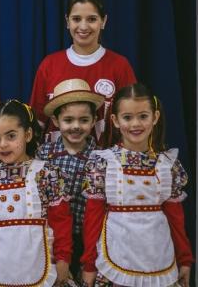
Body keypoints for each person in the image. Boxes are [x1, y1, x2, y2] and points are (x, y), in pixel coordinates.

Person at [80, 83, 193, 287]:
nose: (135, 124)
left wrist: (185, 258)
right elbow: (93, 216)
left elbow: (176, 217)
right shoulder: (103, 162)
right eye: (127, 117)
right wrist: (89, 263)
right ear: (115, 120)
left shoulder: (168, 164)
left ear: (155, 117)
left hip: (159, 257)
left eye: (143, 116)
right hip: (116, 254)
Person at [0, 100, 73, 286]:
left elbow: (61, 222)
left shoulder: (48, 174)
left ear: (27, 134)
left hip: (44, 269)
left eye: (11, 136)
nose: (3, 144)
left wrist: (63, 260)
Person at [29, 0, 136, 145]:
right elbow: (37, 121)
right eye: (76, 19)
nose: (83, 26)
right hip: (56, 163)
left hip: (106, 164)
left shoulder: (119, 66)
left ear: (103, 21)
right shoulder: (49, 65)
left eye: (91, 19)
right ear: (67, 21)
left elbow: (132, 117)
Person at [37, 79, 104, 281]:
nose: (76, 126)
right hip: (52, 238)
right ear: (56, 121)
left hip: (88, 238)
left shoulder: (100, 157)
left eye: (83, 120)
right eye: (68, 120)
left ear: (93, 121)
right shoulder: (44, 154)